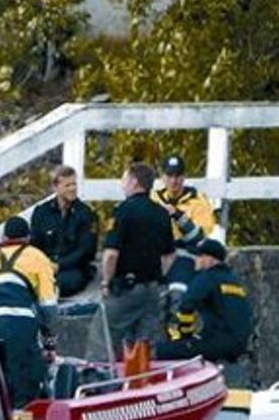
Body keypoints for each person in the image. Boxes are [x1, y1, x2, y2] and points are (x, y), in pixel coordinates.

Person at [0, 217, 58, 420]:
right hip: (19, 324)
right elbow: (48, 305)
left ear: (3, 237)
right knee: (24, 379)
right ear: (28, 238)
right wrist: (50, 342)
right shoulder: (37, 258)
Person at [101, 163, 176, 354]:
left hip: (126, 288)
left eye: (124, 179)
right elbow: (169, 255)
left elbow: (111, 255)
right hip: (152, 289)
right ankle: (143, 382)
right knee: (144, 346)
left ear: (134, 182)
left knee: (103, 340)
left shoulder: (123, 211)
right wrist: (156, 276)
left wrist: (106, 282)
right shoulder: (161, 213)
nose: (122, 184)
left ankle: (99, 381)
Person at [154, 239, 254, 363]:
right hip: (239, 343)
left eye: (199, 256)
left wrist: (184, 335)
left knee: (160, 351)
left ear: (210, 260)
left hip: (217, 342)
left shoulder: (207, 277)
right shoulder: (233, 280)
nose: (196, 260)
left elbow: (186, 304)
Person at [150, 154, 216, 308]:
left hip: (186, 254)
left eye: (178, 176)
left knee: (178, 291)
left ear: (184, 177)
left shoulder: (197, 200)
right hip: (157, 255)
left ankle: (177, 327)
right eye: (170, 175)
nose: (174, 181)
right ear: (162, 177)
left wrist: (177, 215)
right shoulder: (153, 198)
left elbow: (199, 237)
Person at [30, 165, 98, 297]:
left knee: (62, 283)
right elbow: (34, 245)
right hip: (45, 266)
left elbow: (86, 250)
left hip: (73, 268)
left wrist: (59, 265)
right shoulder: (41, 212)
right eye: (67, 185)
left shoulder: (86, 213)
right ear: (55, 187)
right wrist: (45, 265)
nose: (72, 189)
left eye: (74, 184)